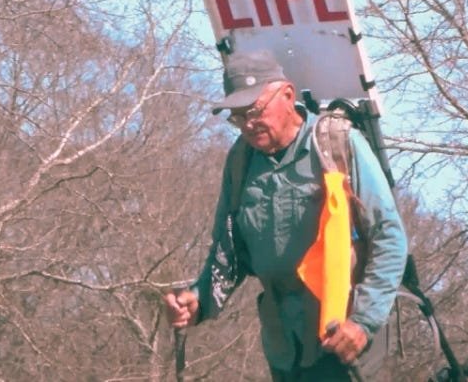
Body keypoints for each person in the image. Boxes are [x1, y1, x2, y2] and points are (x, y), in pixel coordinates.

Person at [164, 50, 408, 381]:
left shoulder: (337, 143)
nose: (247, 124)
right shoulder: (240, 161)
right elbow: (229, 254)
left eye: (253, 111)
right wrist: (198, 298)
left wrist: (364, 322)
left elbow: (389, 239)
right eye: (237, 116)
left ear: (288, 96)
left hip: (345, 343)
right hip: (285, 349)